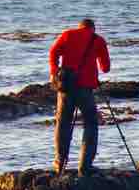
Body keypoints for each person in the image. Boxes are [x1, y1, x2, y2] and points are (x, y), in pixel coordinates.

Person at [48, 16, 111, 175]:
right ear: (93, 29)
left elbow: (53, 52)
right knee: (90, 124)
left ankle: (60, 164)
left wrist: (55, 72)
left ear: (79, 26)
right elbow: (105, 68)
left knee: (62, 124)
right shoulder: (98, 40)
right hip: (86, 88)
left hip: (66, 87)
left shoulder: (68, 34)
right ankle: (84, 166)